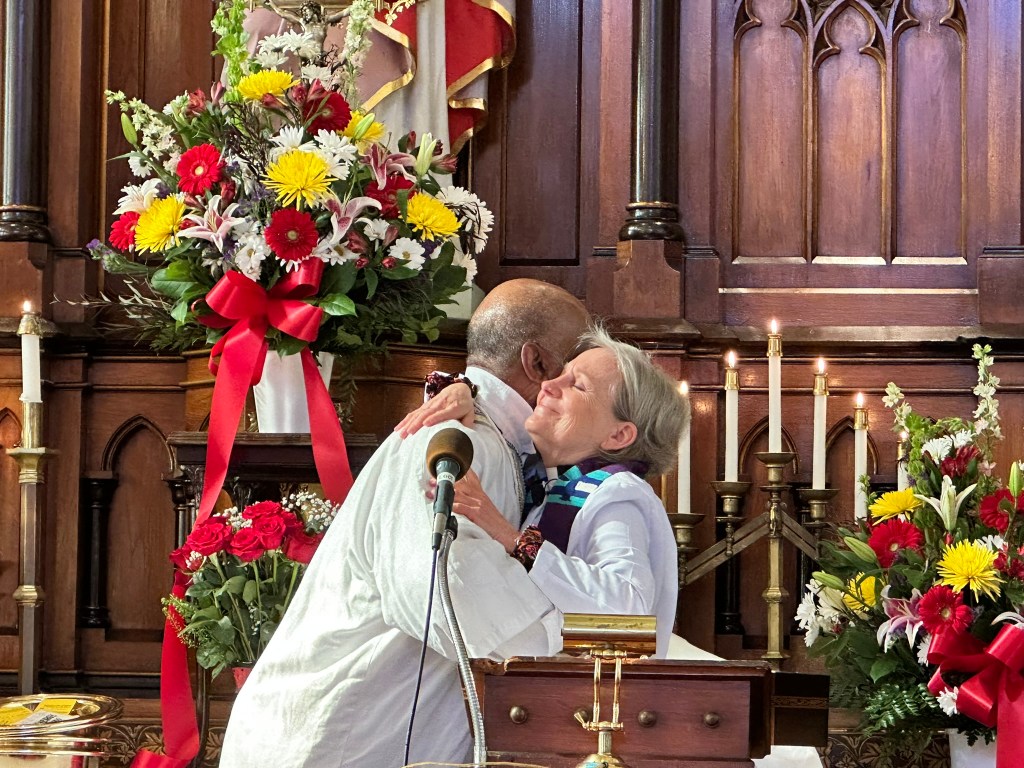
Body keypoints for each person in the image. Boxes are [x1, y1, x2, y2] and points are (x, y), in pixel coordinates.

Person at [220, 278, 589, 768]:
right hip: (330, 739)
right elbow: (444, 592)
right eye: (577, 361)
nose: (579, 375)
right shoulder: (454, 441)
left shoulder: (493, 436)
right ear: (537, 363)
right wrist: (588, 644)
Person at [412, 326, 686, 657]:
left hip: (589, 687)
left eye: (577, 385)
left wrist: (509, 536)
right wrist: (463, 390)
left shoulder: (618, 494)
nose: (548, 385)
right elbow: (500, 411)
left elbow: (628, 611)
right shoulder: (547, 481)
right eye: (560, 374)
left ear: (618, 435)